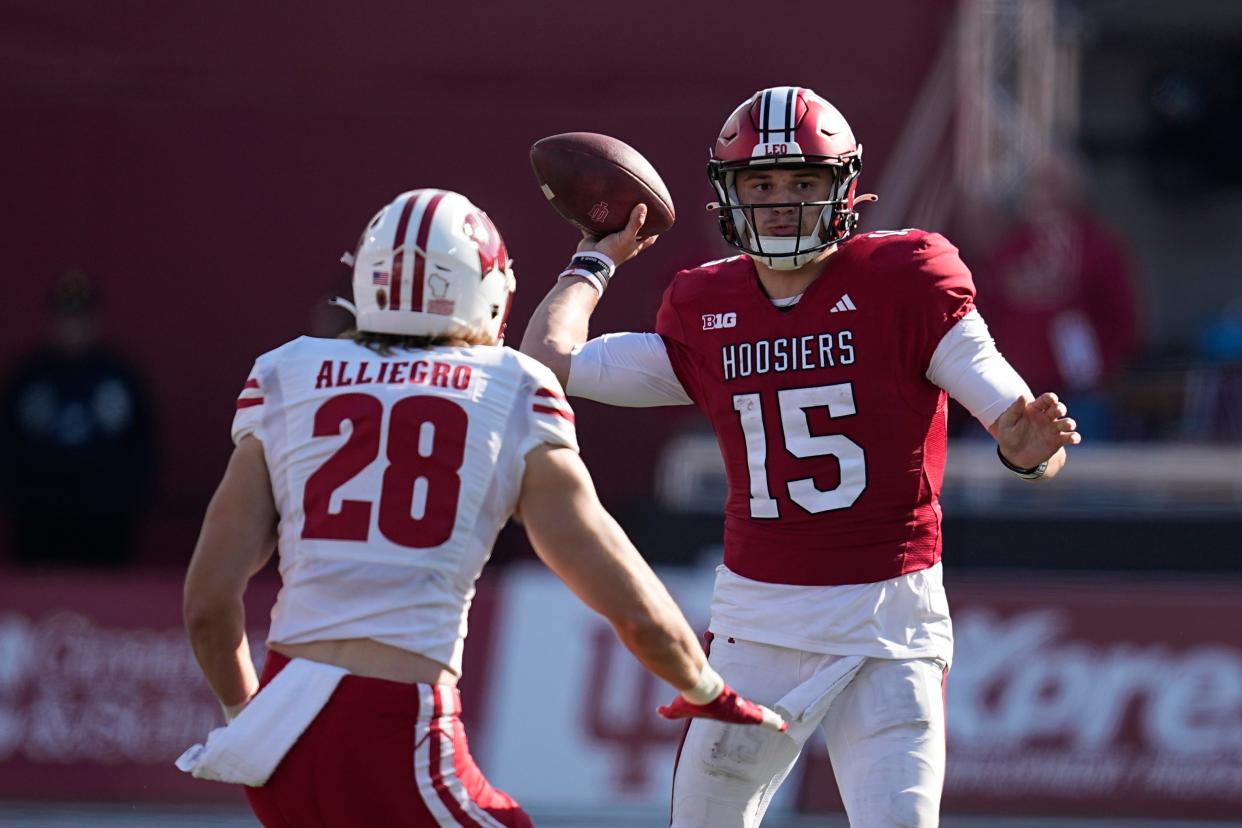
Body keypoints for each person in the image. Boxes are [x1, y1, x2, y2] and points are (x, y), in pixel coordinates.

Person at [520, 88, 1081, 827]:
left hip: (890, 626)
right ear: (730, 193)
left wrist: (1029, 451)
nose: (781, 200)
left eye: (803, 181)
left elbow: (1015, 424)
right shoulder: (706, 308)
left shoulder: (906, 279)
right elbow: (547, 362)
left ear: (842, 188)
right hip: (759, 628)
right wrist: (594, 258)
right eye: (761, 182)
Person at [179, 188, 785, 828]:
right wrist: (708, 690)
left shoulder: (287, 372)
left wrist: (251, 725)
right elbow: (628, 603)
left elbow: (209, 603)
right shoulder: (509, 388)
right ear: (486, 288)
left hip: (281, 737)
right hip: (397, 730)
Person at [0, 269, 155, 567]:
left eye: (81, 318)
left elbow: (142, 450)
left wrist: (122, 503)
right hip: (37, 526)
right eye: (65, 318)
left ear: (96, 321)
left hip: (106, 528)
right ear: (50, 320)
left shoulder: (119, 378)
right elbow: (8, 447)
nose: (73, 328)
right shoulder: (28, 379)